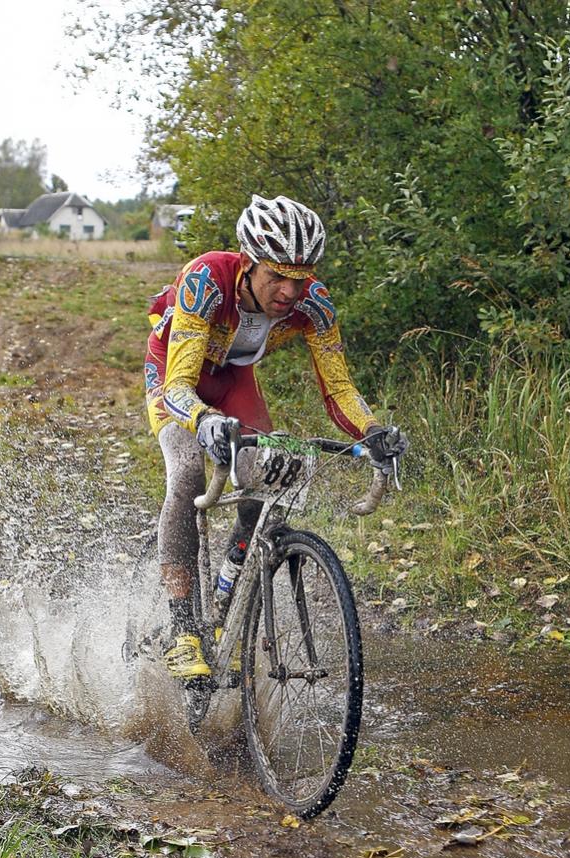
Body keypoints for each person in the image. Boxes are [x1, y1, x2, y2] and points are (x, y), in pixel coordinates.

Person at [143, 194, 407, 682]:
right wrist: (202, 421)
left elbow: (339, 389)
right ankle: (182, 631)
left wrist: (372, 432)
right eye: (276, 275)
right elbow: (180, 385)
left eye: (299, 278)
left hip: (234, 379)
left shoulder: (314, 304)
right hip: (176, 373)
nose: (288, 290)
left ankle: (224, 607)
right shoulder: (207, 280)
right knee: (186, 471)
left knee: (273, 470)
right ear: (248, 264)